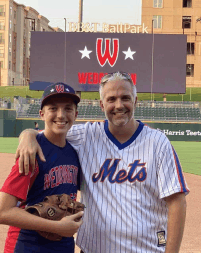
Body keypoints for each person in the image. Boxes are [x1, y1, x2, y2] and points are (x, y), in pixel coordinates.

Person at [16, 72, 189, 253]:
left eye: (125, 98)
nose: (119, 105)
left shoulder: (158, 142)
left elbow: (177, 201)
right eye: (111, 99)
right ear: (102, 104)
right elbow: (50, 132)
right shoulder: (85, 135)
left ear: (135, 101)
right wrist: (28, 134)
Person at [0, 82, 84, 253]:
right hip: (26, 245)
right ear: (42, 114)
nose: (61, 115)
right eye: (53, 108)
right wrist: (57, 227)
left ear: (76, 114)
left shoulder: (74, 152)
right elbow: (2, 212)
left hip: (62, 245)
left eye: (68, 109)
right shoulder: (32, 152)